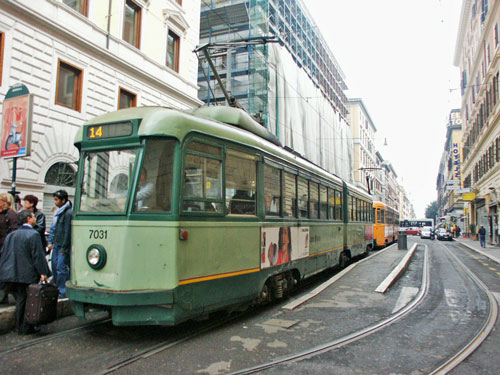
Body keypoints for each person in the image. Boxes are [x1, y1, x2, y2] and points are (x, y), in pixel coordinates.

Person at [0, 210, 50, 334]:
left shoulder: (12, 235)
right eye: (33, 216)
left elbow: (4, 253)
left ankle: (20, 326)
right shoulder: (33, 235)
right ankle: (25, 327)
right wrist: (43, 272)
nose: (35, 218)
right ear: (28, 218)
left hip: (12, 272)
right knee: (27, 299)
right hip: (27, 273)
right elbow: (38, 256)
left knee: (20, 299)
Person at [47, 190, 72, 298]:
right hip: (57, 243)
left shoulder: (67, 213)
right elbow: (54, 228)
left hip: (62, 245)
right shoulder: (58, 212)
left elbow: (67, 231)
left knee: (61, 267)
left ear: (63, 200)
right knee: (55, 266)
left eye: (57, 200)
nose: (55, 202)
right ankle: (58, 288)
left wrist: (65, 248)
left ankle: (62, 291)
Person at [0, 193, 19, 303]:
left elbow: (13, 232)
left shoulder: (11, 214)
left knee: (3, 272)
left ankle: (3, 294)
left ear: (5, 202)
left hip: (5, 248)